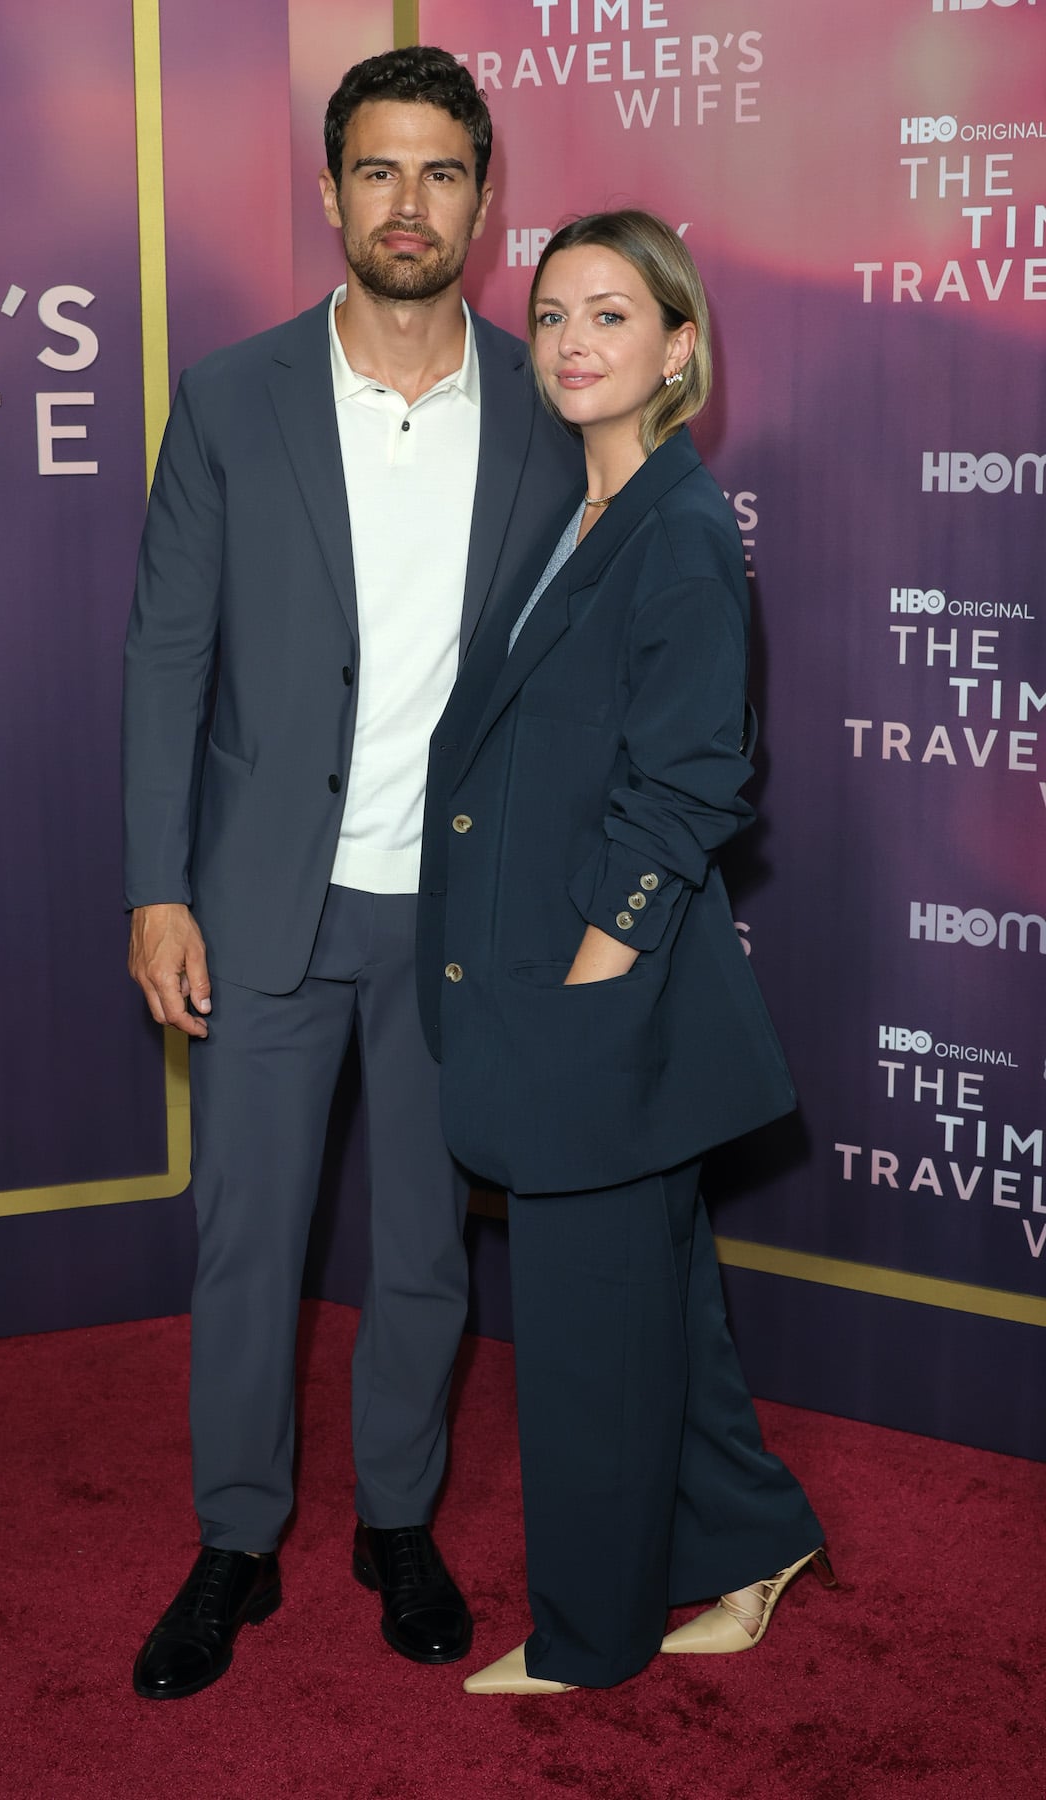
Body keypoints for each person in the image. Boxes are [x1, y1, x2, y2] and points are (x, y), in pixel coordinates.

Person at [121, 48, 580, 1701]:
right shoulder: (230, 397)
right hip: (265, 902)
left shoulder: (545, 404)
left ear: (483, 199)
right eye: (379, 170)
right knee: (247, 1242)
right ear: (330, 191)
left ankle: (399, 1522)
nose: (408, 203)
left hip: (461, 913)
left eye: (441, 172)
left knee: (425, 1249)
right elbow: (167, 659)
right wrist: (156, 884)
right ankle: (236, 1540)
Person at [417, 210, 833, 1695]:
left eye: (611, 314)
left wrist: (593, 986)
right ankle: (752, 1537)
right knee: (657, 1304)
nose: (574, 341)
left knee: (590, 1333)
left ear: (677, 348)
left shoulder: (681, 530)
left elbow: (689, 786)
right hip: (550, 985)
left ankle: (592, 1640)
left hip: (599, 996)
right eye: (553, 315)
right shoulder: (583, 515)